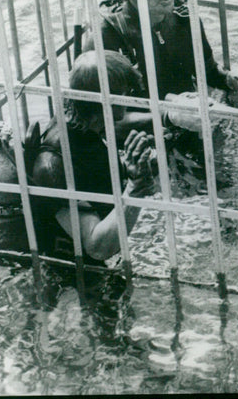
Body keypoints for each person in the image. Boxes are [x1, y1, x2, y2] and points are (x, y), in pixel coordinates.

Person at [82, 0, 238, 138]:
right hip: (140, 140)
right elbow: (99, 123)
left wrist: (233, 80)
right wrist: (169, 116)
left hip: (190, 122)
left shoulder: (183, 17)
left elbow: (208, 70)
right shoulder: (107, 34)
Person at [26, 50, 156, 264]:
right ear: (107, 102)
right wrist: (136, 188)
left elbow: (93, 170)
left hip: (108, 233)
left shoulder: (81, 121)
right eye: (125, 93)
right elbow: (96, 248)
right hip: (72, 268)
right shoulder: (53, 165)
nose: (128, 98)